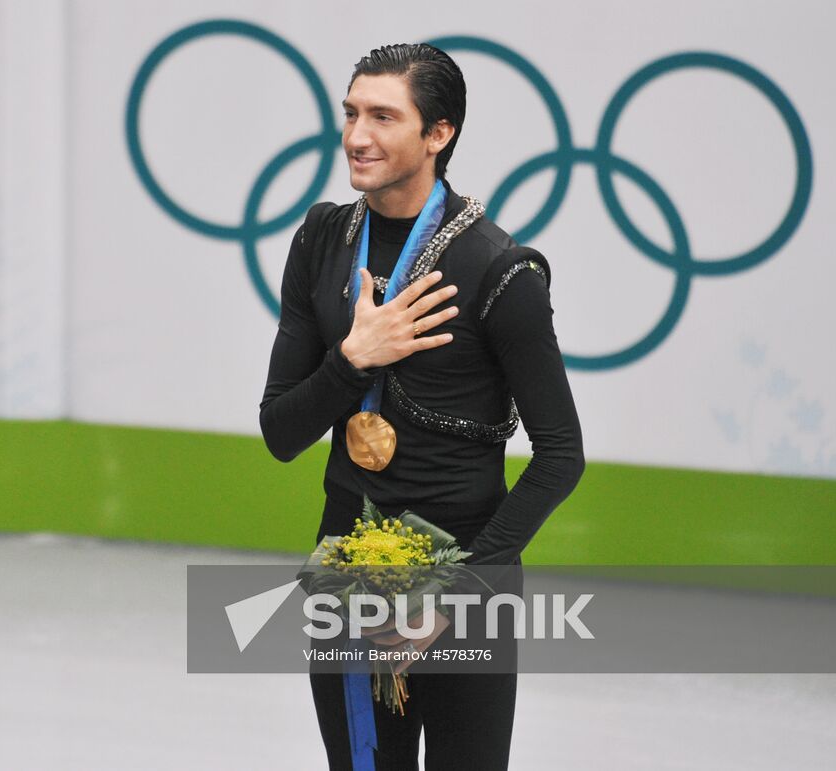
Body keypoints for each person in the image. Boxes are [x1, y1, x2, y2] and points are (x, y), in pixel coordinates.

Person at [259, 44, 585, 770]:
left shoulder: (500, 270)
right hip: (349, 576)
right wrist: (353, 359)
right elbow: (281, 431)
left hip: (467, 582)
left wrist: (456, 594)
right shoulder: (321, 241)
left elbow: (561, 456)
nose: (356, 135)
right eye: (350, 113)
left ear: (438, 134)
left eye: (382, 116)